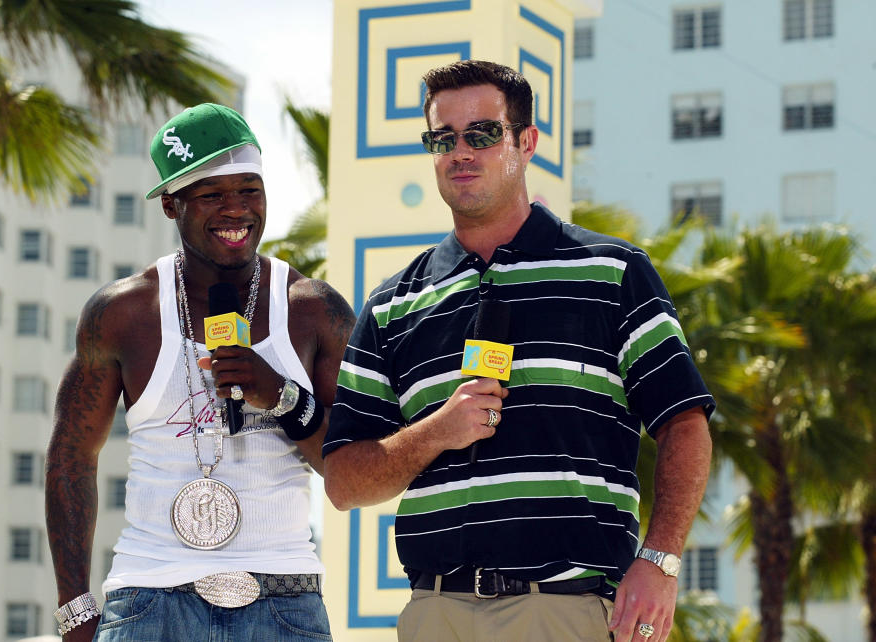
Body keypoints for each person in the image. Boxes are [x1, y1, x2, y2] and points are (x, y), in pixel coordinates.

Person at [322, 60, 714, 642]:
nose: (461, 152)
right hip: (436, 613)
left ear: (525, 142)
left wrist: (659, 562)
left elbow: (685, 424)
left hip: (565, 610)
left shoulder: (613, 272)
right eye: (443, 138)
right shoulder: (392, 304)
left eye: (482, 134)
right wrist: (437, 431)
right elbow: (344, 481)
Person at [46, 103, 354, 641]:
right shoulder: (124, 313)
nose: (236, 211)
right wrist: (74, 607)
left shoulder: (312, 310)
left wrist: (280, 396)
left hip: (284, 599)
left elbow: (350, 468)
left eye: (249, 190)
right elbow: (71, 458)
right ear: (171, 205)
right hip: (148, 598)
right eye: (213, 195)